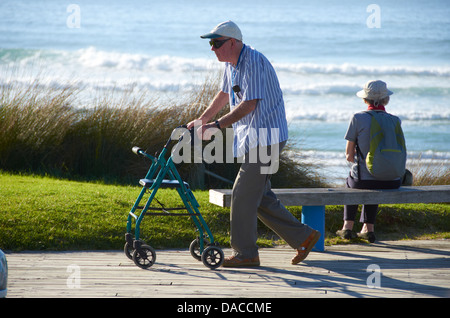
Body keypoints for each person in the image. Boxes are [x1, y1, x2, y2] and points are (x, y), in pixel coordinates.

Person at [187, 21, 320, 267]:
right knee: (259, 197)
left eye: (216, 43)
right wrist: (202, 119)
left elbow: (249, 104)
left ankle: (246, 253)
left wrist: (216, 126)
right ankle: (304, 237)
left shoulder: (254, 62)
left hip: (267, 139)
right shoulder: (231, 65)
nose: (212, 49)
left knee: (241, 194)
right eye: (210, 43)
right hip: (254, 139)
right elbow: (224, 94)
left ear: (233, 43)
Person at [337, 80, 403, 243]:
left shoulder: (358, 118)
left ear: (365, 99)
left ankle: (347, 227)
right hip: (393, 180)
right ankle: (368, 229)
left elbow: (349, 155)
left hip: (363, 181)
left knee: (353, 180)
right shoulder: (395, 120)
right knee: (376, 177)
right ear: (386, 100)